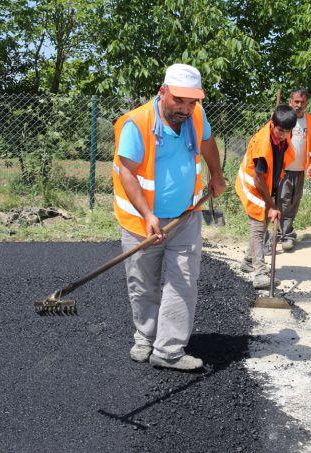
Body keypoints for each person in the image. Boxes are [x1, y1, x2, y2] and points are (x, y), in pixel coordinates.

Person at [112, 63, 226, 371]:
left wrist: (216, 174)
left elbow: (207, 142)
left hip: (185, 217)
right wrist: (148, 215)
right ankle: (145, 338)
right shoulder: (136, 124)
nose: (186, 109)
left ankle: (169, 350)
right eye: (179, 101)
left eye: (192, 102)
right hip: (141, 222)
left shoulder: (196, 116)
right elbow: (127, 172)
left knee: (183, 283)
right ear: (164, 91)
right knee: (143, 283)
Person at [236, 105, 298, 289]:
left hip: (267, 183)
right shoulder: (263, 144)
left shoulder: (285, 135)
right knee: (258, 225)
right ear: (272, 124)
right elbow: (258, 179)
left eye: (287, 131)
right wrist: (271, 205)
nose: (283, 135)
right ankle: (260, 273)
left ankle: (249, 260)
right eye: (280, 130)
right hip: (253, 185)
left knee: (262, 222)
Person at [278, 89, 311, 251]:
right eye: (296, 102)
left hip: (300, 170)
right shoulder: (284, 120)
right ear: (290, 102)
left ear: (307, 104)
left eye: (302, 102)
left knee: (293, 204)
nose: (299, 105)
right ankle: (280, 235)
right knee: (281, 201)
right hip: (283, 170)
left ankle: (286, 234)